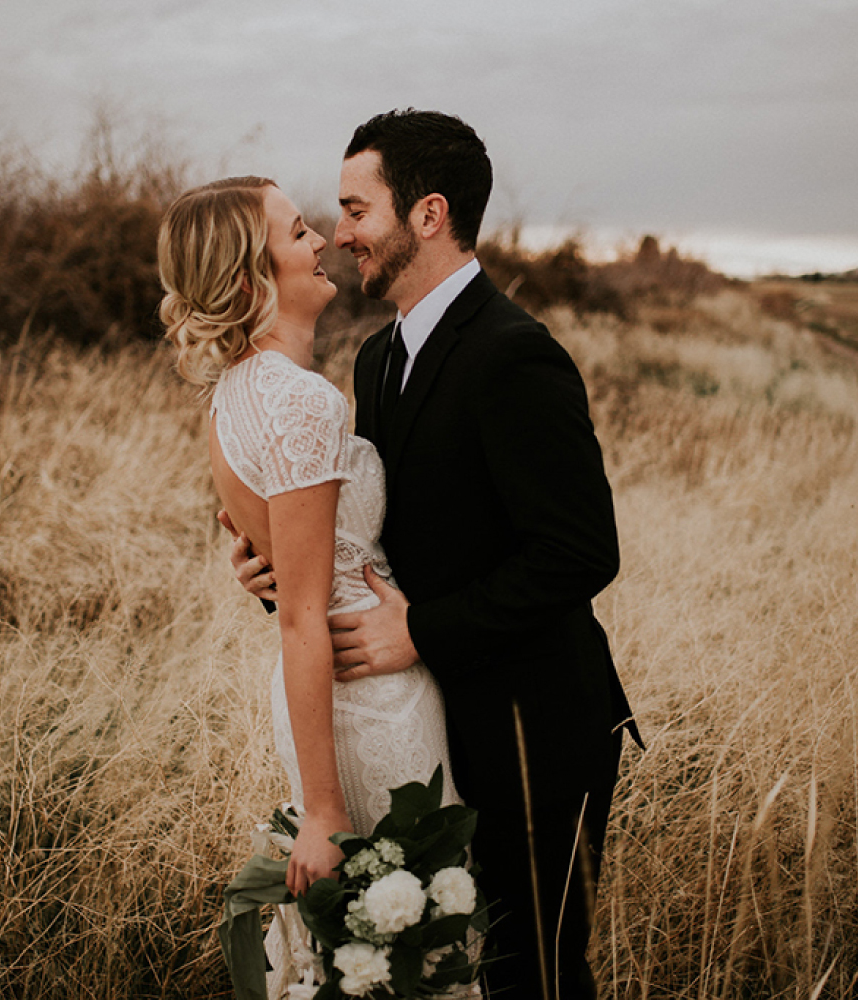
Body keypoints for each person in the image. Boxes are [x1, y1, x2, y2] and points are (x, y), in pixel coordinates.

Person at [232, 110, 642, 999]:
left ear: (427, 215)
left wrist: (424, 630)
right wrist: (281, 576)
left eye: (355, 208)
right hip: (422, 727)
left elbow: (580, 552)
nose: (340, 234)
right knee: (432, 970)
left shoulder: (515, 354)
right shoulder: (378, 360)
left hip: (535, 724)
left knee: (529, 970)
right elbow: (377, 543)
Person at [157, 177, 463, 997]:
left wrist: (261, 574)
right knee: (408, 940)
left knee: (368, 942)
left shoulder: (233, 395)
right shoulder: (300, 402)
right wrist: (323, 810)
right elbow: (300, 614)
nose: (323, 240)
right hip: (365, 695)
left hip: (338, 690)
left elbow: (290, 580)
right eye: (298, 233)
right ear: (256, 274)